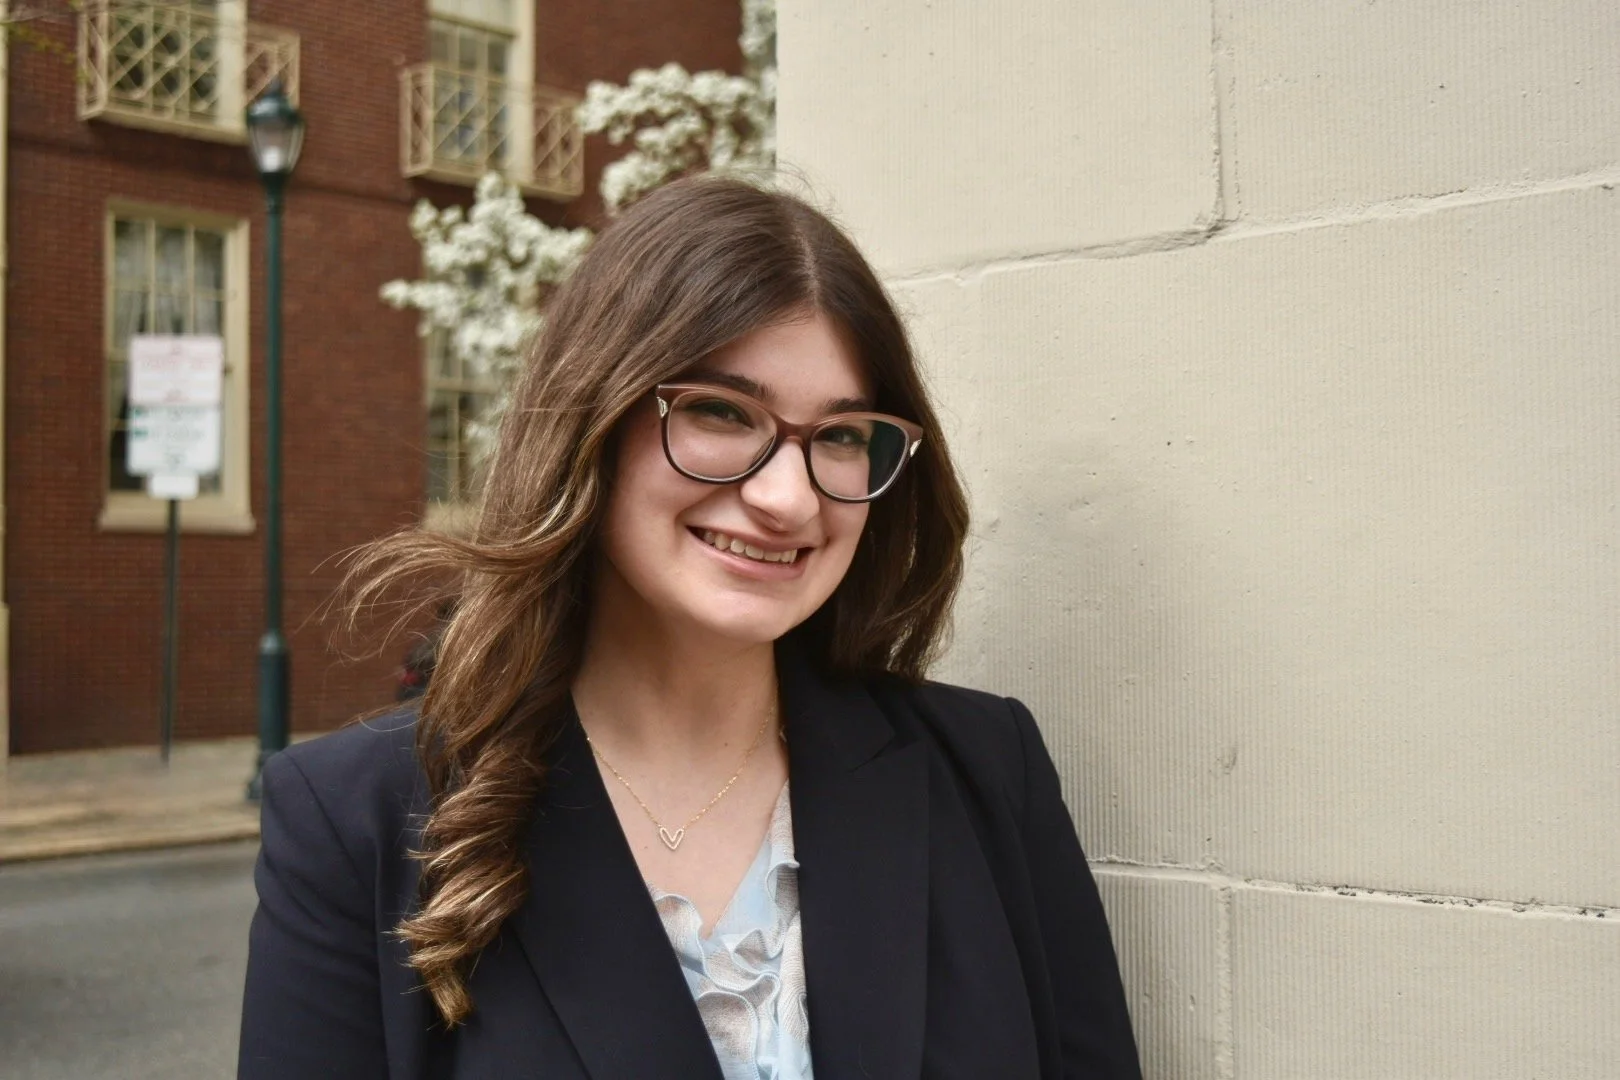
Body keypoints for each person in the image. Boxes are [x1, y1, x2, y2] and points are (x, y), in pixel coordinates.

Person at [238, 176, 1141, 1079]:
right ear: (592, 421)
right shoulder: (356, 820)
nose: (788, 498)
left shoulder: (985, 772)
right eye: (721, 412)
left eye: (840, 436)